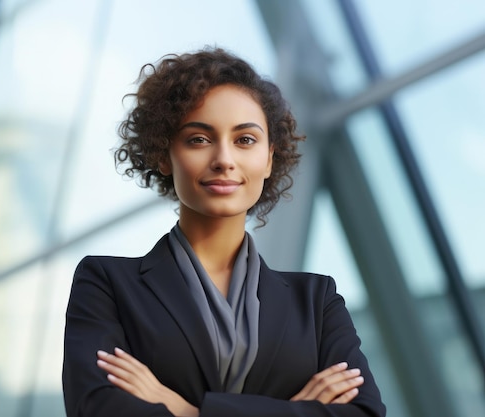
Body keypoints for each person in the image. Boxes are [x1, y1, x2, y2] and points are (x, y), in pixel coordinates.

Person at [62, 48, 385, 417]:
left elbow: (364, 413)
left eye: (245, 140)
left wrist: (190, 411)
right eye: (199, 139)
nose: (224, 159)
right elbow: (97, 409)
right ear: (164, 155)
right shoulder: (107, 284)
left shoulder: (316, 301)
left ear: (268, 158)